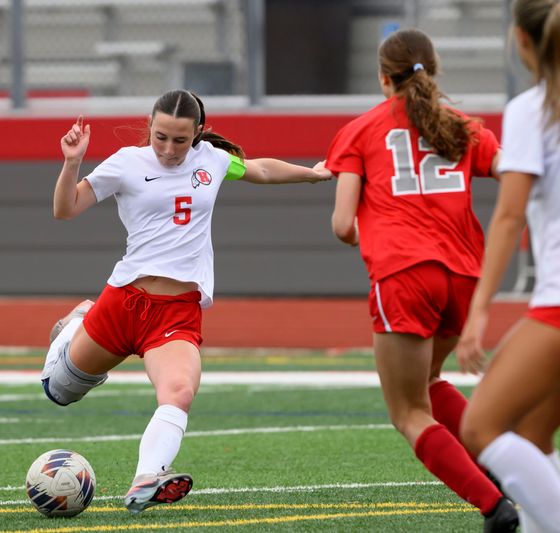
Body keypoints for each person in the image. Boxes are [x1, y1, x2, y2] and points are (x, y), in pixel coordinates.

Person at [42, 89, 332, 514]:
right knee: (59, 392)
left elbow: (261, 170)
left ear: (197, 133)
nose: (168, 149)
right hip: (121, 303)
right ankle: (79, 320)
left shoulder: (211, 160)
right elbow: (65, 209)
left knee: (179, 390)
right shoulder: (127, 162)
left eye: (180, 140)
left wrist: (313, 174)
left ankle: (146, 479)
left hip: (176, 313)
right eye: (160, 137)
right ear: (150, 126)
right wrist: (71, 163)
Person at [326, 28, 518, 531]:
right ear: (432, 71)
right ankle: (507, 468)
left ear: (382, 78)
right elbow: (515, 173)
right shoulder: (462, 126)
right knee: (429, 383)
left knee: (409, 412)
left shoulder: (362, 129)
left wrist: (380, 228)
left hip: (405, 274)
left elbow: (343, 224)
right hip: (465, 275)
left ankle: (494, 504)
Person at [457, 0, 560, 530]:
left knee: (482, 428)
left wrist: (479, 311)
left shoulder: (532, 109)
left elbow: (509, 216)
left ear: (520, 40)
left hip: (558, 305)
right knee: (534, 438)